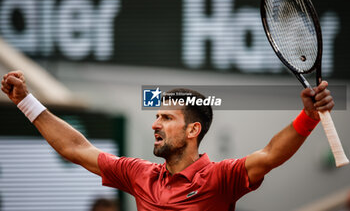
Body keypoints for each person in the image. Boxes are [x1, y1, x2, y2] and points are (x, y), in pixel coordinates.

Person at [1, 71, 334, 211]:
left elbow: (272, 154)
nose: (155, 124)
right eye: (156, 116)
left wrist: (309, 116)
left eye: (166, 118)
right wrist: (27, 103)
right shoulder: (139, 174)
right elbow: (76, 148)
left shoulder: (220, 179)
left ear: (193, 131)